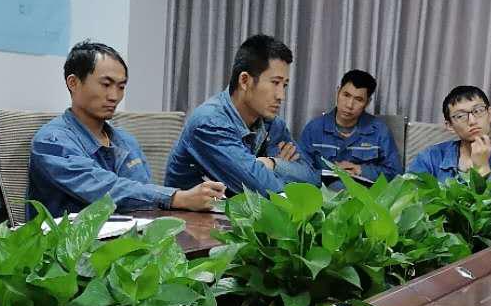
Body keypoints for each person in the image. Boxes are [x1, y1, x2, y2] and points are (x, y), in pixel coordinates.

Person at [30, 41, 224, 217]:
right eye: (106, 85)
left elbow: (142, 197)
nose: (114, 96)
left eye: (121, 87)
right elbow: (105, 190)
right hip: (68, 243)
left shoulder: (125, 141)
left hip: (127, 236)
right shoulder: (51, 141)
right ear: (73, 83)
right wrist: (178, 198)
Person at [163, 34, 318, 195]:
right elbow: (263, 190)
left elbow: (313, 179)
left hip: (239, 209)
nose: (281, 96)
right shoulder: (210, 122)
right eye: (275, 83)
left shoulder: (272, 124)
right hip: (195, 211)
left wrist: (273, 164)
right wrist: (285, 171)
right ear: (244, 81)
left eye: (284, 85)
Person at [406, 85, 491, 198]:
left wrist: (483, 169)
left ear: (490, 114)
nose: (472, 121)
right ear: (449, 125)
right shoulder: (430, 159)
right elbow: (408, 200)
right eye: (460, 116)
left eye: (478, 111)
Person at [298, 69, 402, 181]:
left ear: (367, 103)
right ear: (338, 92)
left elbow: (395, 174)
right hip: (322, 190)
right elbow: (301, 170)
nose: (349, 105)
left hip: (364, 191)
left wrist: (361, 170)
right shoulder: (313, 129)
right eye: (346, 95)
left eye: (358, 99)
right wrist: (328, 175)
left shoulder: (380, 132)